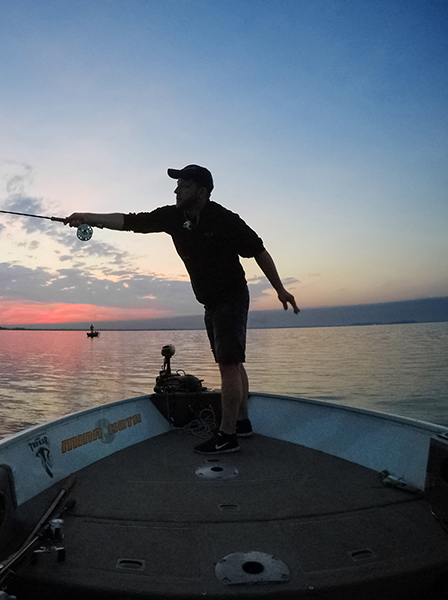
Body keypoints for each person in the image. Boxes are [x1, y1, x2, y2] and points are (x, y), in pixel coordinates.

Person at [65, 164, 299, 454]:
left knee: (228, 363)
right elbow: (131, 221)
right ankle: (242, 423)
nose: (176, 190)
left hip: (232, 297)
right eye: (177, 185)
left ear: (202, 192)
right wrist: (89, 217)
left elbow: (259, 251)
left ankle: (227, 436)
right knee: (232, 362)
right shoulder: (173, 217)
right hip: (210, 301)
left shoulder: (225, 220)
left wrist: (280, 289)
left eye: (184, 186)